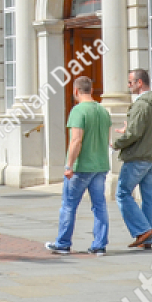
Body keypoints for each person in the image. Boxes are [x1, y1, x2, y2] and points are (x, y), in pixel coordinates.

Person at [46, 75, 111, 255]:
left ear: (76, 91)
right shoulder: (103, 111)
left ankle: (63, 242)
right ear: (91, 89)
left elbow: (76, 140)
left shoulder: (78, 111)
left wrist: (69, 165)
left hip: (82, 167)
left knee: (68, 205)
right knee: (100, 206)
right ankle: (99, 244)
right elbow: (108, 138)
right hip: (100, 164)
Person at [112, 68, 152, 250]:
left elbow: (134, 133)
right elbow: (143, 129)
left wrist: (117, 143)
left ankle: (143, 231)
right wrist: (129, 130)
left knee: (122, 193)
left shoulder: (141, 105)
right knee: (148, 196)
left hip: (139, 157)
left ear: (139, 82)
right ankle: (147, 238)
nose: (128, 86)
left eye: (130, 82)